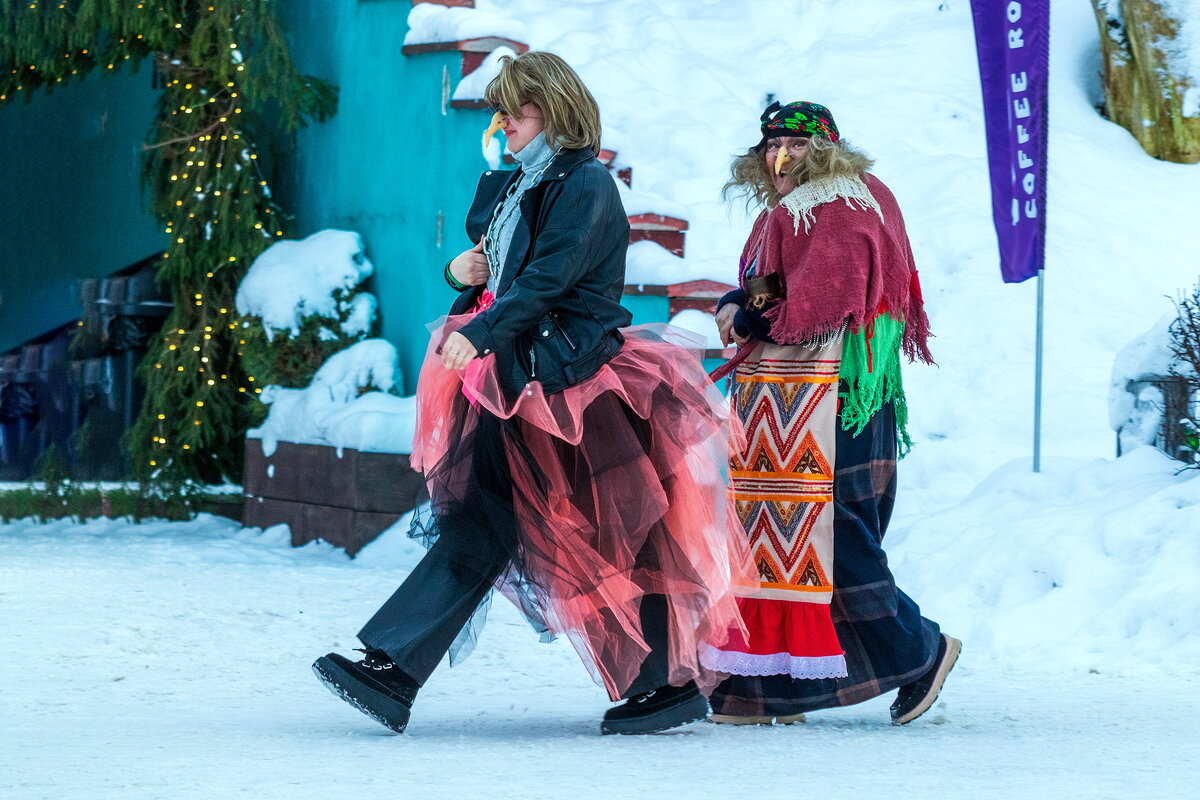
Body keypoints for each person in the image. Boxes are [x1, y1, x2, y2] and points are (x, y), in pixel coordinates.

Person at [312, 52, 749, 736]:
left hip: (572, 386)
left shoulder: (586, 185)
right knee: (485, 523)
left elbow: (546, 282)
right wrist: (463, 276)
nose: (503, 122)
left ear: (555, 108)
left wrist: (482, 330)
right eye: (500, 109)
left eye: (516, 109)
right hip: (520, 377)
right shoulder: (524, 182)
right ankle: (395, 667)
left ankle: (666, 683)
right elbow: (500, 270)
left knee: (623, 536)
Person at [701, 101, 960, 726]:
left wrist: (750, 316)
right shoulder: (795, 208)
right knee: (778, 535)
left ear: (825, 150)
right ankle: (775, 686)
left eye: (793, 145)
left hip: (836, 394)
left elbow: (824, 297)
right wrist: (743, 301)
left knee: (829, 533)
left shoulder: (844, 201)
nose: (779, 157)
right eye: (769, 146)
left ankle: (920, 649)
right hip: (788, 395)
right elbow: (780, 283)